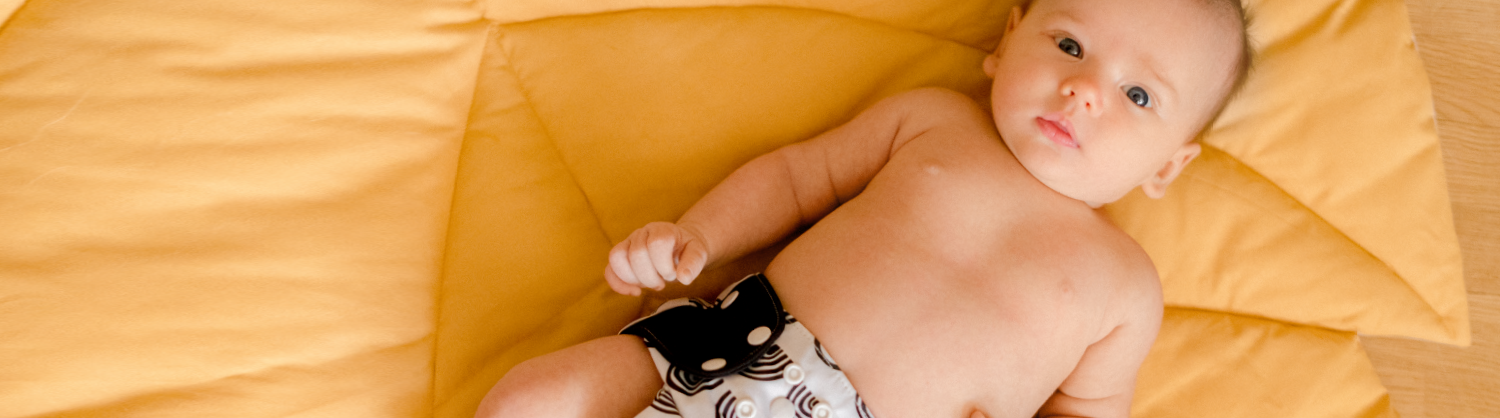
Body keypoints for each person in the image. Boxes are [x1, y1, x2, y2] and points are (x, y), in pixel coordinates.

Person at [479, 0, 1251, 416]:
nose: (1085, 90)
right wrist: (696, 235)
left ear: (1170, 165)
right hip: (733, 342)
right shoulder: (932, 121)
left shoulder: (1124, 286)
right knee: (527, 401)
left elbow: (1089, 410)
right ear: (1008, 38)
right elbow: (794, 179)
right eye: (1070, 45)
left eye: (1138, 94)